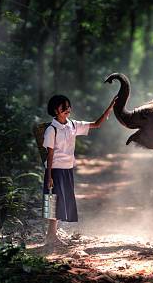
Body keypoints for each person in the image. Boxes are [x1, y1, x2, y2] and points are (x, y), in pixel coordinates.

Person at [43, 94, 116, 248]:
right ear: (55, 110)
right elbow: (50, 154)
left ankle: (52, 235)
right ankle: (51, 235)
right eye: (64, 107)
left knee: (61, 202)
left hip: (67, 169)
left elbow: (96, 124)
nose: (67, 110)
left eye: (68, 106)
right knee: (53, 201)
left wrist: (110, 108)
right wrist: (49, 176)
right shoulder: (51, 130)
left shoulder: (73, 125)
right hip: (55, 170)